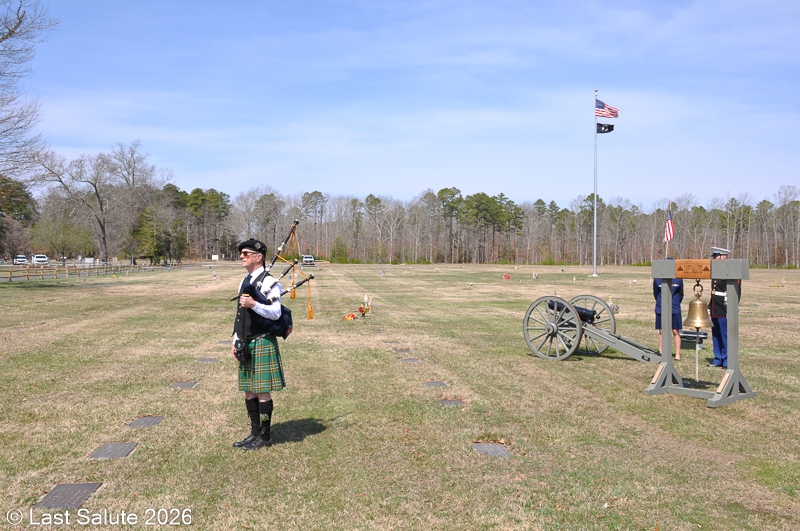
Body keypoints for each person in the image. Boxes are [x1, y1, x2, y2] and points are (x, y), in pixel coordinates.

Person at [230, 239, 285, 450]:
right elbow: (240, 315)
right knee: (248, 391)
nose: (241, 256)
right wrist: (235, 340)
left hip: (262, 340)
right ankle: (254, 432)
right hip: (245, 341)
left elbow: (276, 313)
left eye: (246, 253)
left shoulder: (270, 282)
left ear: (258, 257)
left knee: (262, 391)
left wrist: (254, 304)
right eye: (241, 253)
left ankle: (265, 435)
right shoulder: (245, 281)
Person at [709, 247, 740, 369]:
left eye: (716, 256)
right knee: (716, 333)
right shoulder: (716, 271)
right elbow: (713, 291)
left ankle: (727, 359)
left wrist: (732, 305)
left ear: (723, 257)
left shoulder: (732, 270)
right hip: (715, 306)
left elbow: (736, 291)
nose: (714, 259)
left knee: (725, 334)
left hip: (724, 306)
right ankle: (718, 358)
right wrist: (710, 305)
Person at [653, 258, 684, 360]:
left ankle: (677, 354)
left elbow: (680, 294)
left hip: (674, 307)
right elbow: (656, 293)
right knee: (662, 330)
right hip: (661, 307)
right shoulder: (657, 278)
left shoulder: (678, 278)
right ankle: (661, 351)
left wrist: (674, 302)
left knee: (675, 331)